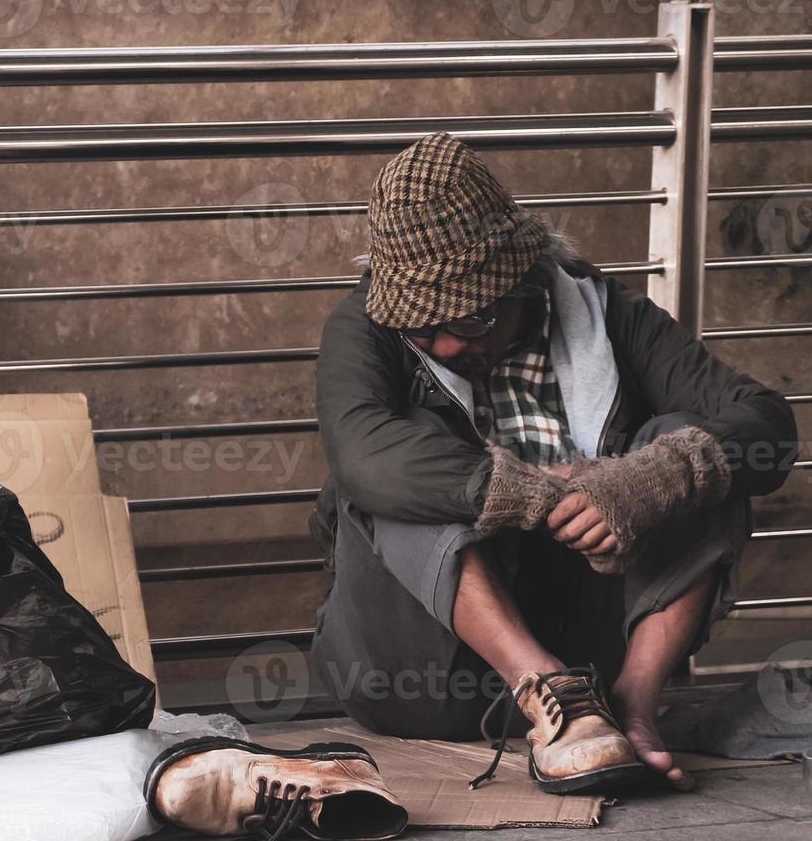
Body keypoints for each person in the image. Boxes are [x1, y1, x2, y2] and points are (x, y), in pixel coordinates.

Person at [309, 132, 799, 795]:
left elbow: (763, 421)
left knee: (692, 444)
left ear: (522, 278)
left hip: (595, 661)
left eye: (474, 319)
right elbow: (361, 453)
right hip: (416, 676)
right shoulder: (364, 329)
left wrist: (646, 482)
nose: (450, 342)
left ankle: (632, 709)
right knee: (399, 459)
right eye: (428, 328)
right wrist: (532, 495)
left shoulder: (607, 312)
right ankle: (547, 692)